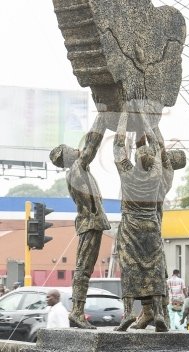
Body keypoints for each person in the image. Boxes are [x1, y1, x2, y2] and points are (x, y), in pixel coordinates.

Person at [50, 113, 111, 329]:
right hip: (90, 223)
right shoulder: (77, 168)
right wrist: (102, 118)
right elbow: (91, 145)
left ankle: (77, 311)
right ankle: (76, 312)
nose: (76, 150)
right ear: (67, 157)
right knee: (83, 269)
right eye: (70, 149)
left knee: (84, 268)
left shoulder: (78, 171)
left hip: (90, 223)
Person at [113, 105, 167, 332]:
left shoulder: (128, 174)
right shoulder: (155, 174)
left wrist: (125, 113)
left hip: (131, 227)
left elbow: (117, 146)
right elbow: (155, 143)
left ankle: (127, 314)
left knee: (130, 267)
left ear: (136, 159)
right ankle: (160, 314)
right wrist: (144, 117)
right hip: (151, 227)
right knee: (154, 267)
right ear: (151, 160)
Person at [131, 129, 186, 330]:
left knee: (146, 272)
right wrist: (142, 130)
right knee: (156, 273)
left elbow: (157, 148)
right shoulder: (163, 176)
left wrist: (149, 124)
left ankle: (153, 313)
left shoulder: (162, 173)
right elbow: (145, 151)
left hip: (145, 227)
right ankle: (155, 315)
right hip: (153, 228)